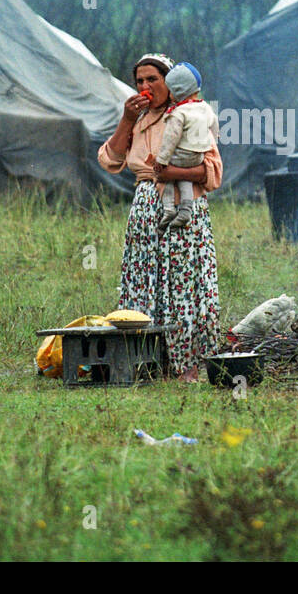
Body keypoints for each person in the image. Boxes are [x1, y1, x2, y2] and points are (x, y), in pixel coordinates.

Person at [98, 53, 222, 381]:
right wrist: (126, 118)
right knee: (144, 283)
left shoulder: (191, 114)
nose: (145, 86)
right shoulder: (137, 119)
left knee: (183, 284)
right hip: (144, 209)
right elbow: (110, 159)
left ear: (170, 82)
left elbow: (211, 170)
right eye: (139, 81)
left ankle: (189, 365)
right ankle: (149, 363)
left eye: (153, 79)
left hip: (183, 206)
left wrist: (169, 172)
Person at [154, 62, 218, 233]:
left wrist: (162, 160)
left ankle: (168, 208)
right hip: (198, 156)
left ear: (177, 91)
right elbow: (214, 124)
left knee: (166, 174)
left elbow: (171, 139)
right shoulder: (205, 107)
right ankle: (186, 210)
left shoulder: (178, 113)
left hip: (180, 155)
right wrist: (213, 140)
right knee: (185, 178)